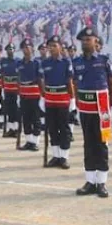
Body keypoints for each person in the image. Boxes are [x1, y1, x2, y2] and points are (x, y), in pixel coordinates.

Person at [73, 26, 112, 198]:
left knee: (102, 144)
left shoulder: (105, 60)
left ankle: (102, 182)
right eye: (83, 40)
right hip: (85, 108)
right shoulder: (77, 62)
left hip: (103, 108)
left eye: (88, 40)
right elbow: (76, 85)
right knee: (88, 144)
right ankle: (90, 181)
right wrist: (76, 106)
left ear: (96, 42)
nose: (85, 42)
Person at [41, 35, 75, 169]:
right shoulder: (45, 63)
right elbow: (43, 81)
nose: (52, 48)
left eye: (55, 45)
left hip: (62, 99)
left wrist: (72, 99)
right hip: (50, 99)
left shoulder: (66, 62)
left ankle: (64, 157)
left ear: (60, 47)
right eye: (50, 46)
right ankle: (55, 155)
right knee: (52, 128)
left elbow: (70, 82)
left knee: (64, 128)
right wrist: (43, 97)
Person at [17, 39, 42, 151]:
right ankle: (28, 141)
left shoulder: (37, 63)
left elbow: (41, 79)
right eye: (24, 47)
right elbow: (18, 79)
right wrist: (18, 94)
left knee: (35, 118)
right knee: (26, 119)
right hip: (24, 94)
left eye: (28, 47)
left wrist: (43, 95)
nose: (26, 49)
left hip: (35, 94)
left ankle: (35, 142)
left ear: (32, 48)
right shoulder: (20, 63)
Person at [1, 42, 20, 138]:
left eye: (12, 49)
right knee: (9, 110)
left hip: (16, 90)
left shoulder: (18, 61)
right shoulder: (3, 62)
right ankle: (11, 129)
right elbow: (3, 75)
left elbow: (20, 76)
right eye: (8, 49)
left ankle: (17, 129)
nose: (10, 51)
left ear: (14, 50)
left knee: (16, 110)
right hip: (7, 90)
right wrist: (3, 88)